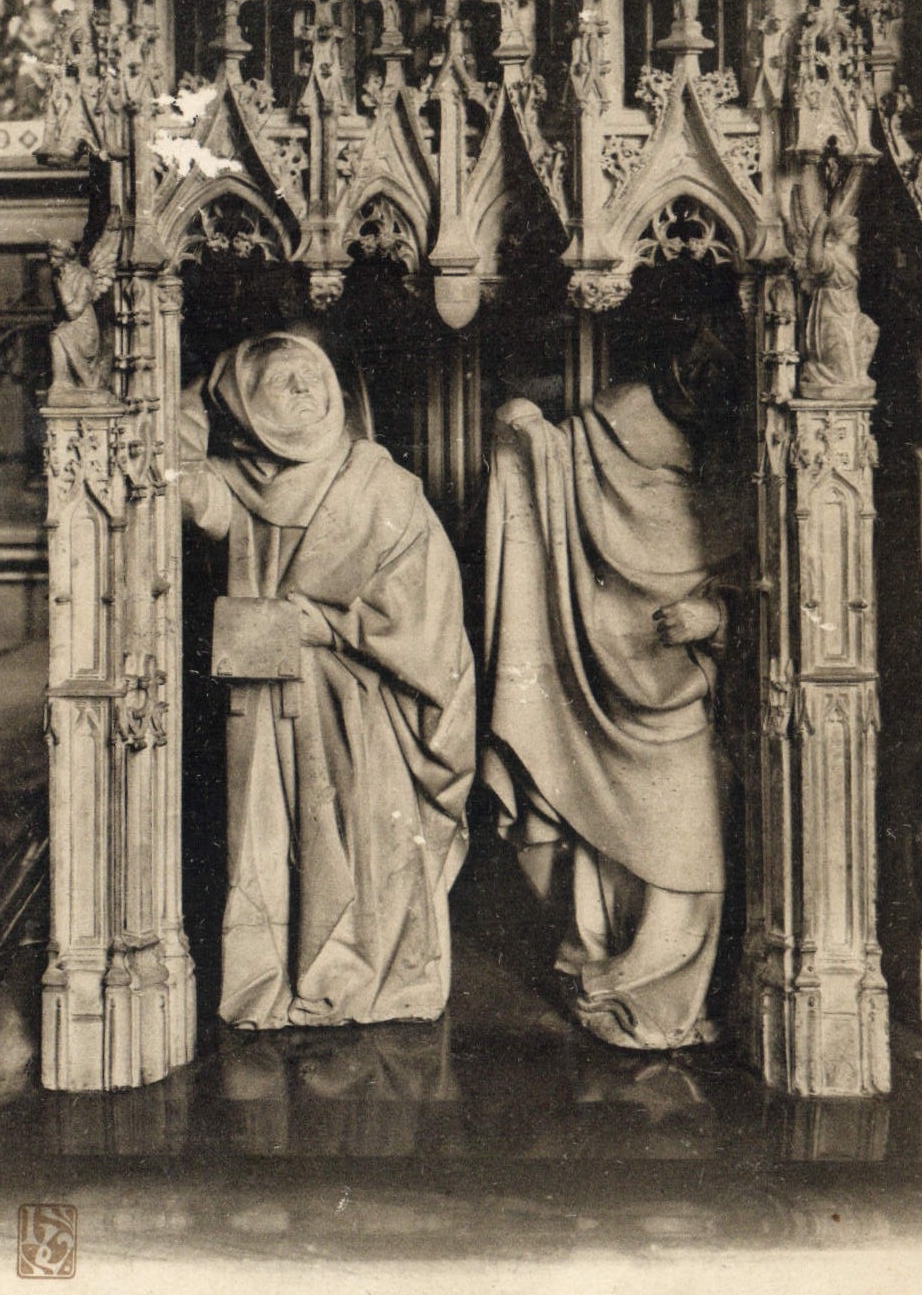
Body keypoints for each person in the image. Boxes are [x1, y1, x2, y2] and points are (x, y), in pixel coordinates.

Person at [180, 331, 475, 1029]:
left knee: (367, 840)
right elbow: (172, 472)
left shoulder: (381, 483)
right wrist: (193, 389)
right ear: (244, 402)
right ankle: (282, 983)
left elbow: (429, 608)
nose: (305, 391)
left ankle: (371, 983)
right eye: (281, 381)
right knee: (275, 839)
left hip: (367, 698)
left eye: (313, 375)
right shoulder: (237, 480)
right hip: (272, 700)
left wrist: (332, 626)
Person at [482, 353, 739, 1052]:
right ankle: (606, 970)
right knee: (600, 840)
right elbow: (529, 442)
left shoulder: (733, 473)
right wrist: (522, 433)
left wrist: (711, 620)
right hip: (595, 685)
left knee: (689, 849)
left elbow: (772, 591)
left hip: (681, 696)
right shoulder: (589, 445)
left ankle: (659, 989)